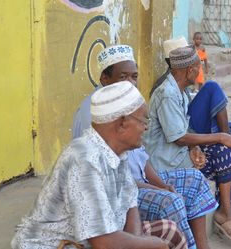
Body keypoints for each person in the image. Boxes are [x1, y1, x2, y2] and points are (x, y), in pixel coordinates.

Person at [72, 45, 218, 249]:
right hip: (115, 194)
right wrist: (157, 189)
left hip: (139, 183)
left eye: (134, 76)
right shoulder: (96, 113)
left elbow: (142, 157)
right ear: (105, 79)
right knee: (171, 202)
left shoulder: (126, 103)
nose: (131, 82)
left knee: (195, 180)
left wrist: (161, 184)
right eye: (123, 76)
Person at [12, 81, 187, 249]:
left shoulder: (118, 153)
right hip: (55, 245)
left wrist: (138, 240)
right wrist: (154, 245)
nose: (145, 128)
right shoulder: (83, 159)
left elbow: (130, 204)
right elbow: (104, 244)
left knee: (169, 232)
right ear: (122, 123)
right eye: (143, 121)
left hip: (97, 240)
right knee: (157, 243)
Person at [145, 46, 231, 245]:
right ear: (189, 70)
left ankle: (227, 215)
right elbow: (178, 137)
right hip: (164, 162)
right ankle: (228, 217)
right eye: (198, 67)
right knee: (223, 151)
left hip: (178, 154)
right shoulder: (167, 94)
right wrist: (219, 137)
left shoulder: (180, 92)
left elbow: (183, 133)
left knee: (225, 154)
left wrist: (196, 148)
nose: (200, 70)